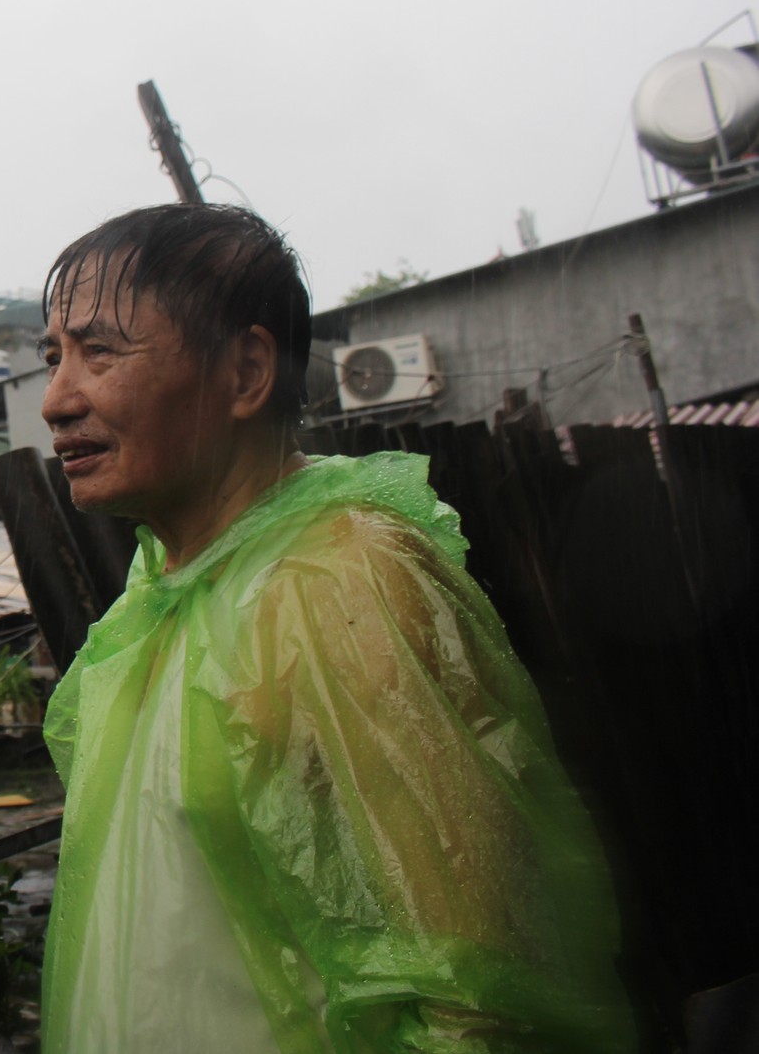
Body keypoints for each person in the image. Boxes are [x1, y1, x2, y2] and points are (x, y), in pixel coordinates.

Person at [34, 204, 632, 1052]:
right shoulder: (168, 590)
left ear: (245, 371)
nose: (57, 399)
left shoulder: (334, 582)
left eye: (100, 352)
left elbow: (477, 990)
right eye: (52, 358)